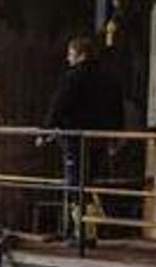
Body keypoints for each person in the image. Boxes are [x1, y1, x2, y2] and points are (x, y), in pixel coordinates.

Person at [43, 37, 125, 241]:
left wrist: (46, 130)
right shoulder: (110, 79)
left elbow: (59, 104)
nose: (68, 58)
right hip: (99, 139)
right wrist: (115, 138)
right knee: (88, 182)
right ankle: (81, 229)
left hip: (76, 137)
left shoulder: (74, 77)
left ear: (81, 55)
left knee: (75, 184)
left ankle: (84, 234)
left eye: (71, 54)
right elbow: (117, 110)